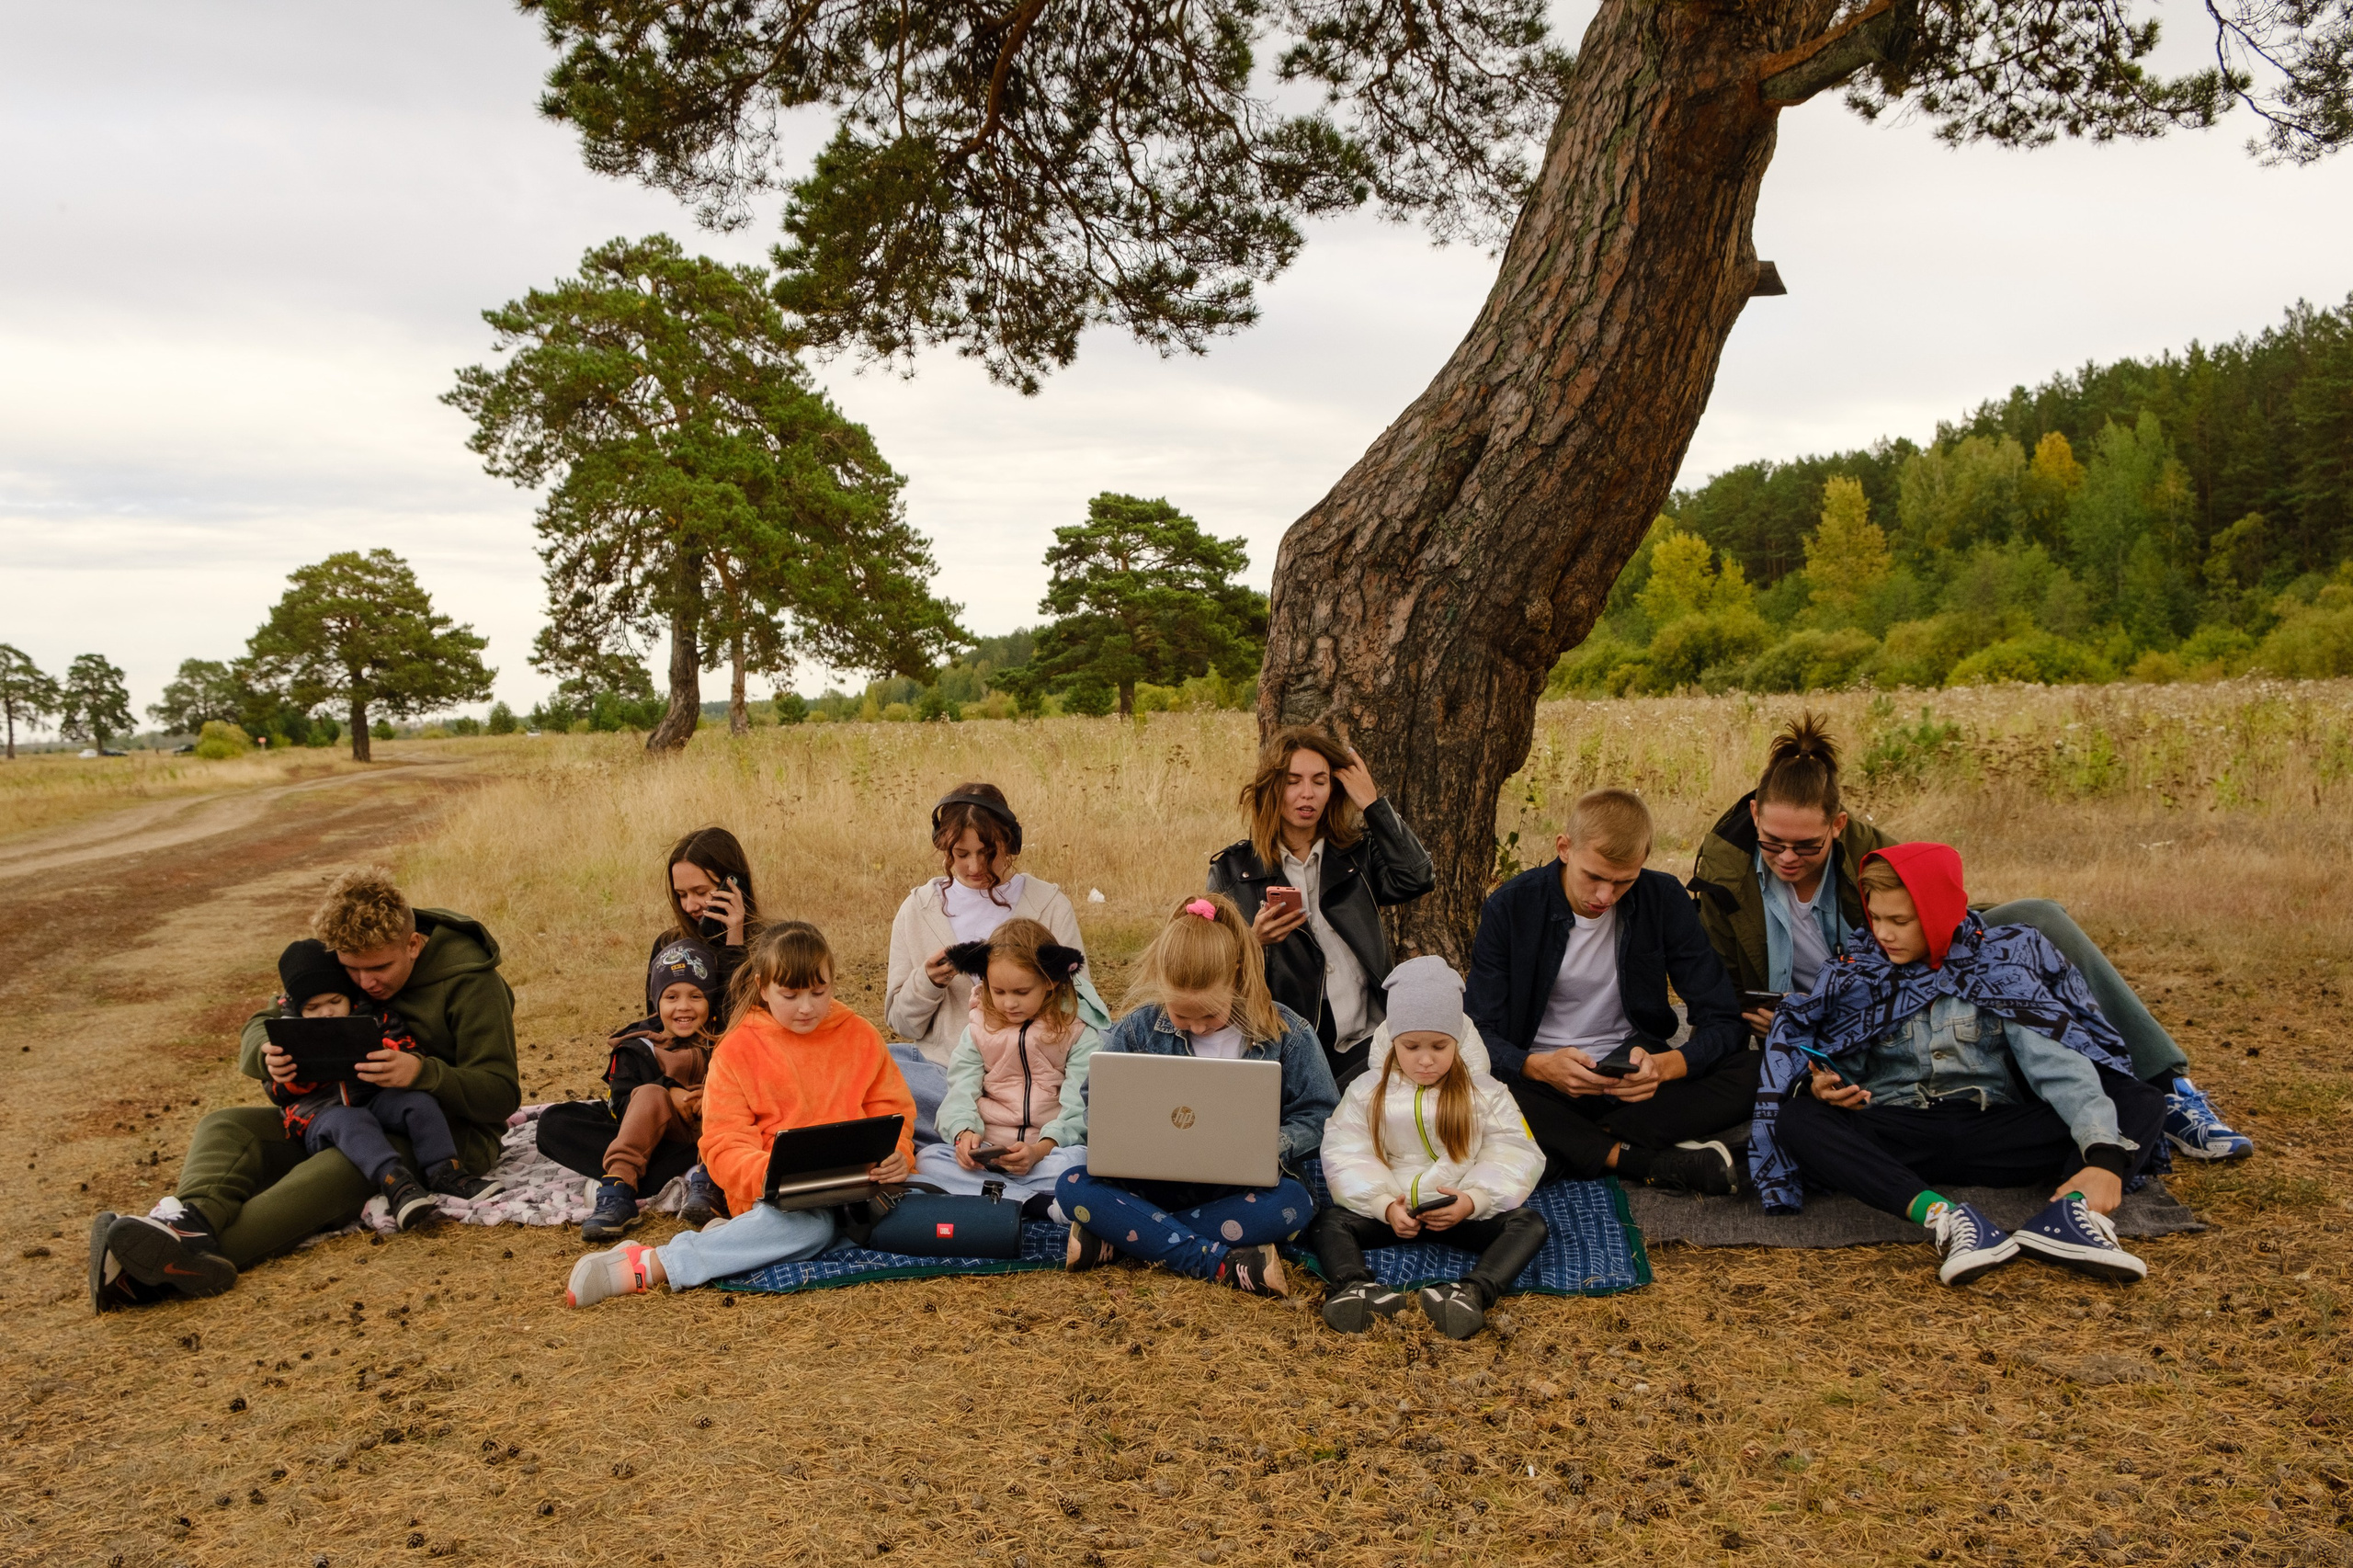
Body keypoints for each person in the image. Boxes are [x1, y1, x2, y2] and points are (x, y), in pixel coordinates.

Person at [1688, 713, 2251, 1163]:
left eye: (1806, 846)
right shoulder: (1723, 870)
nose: (1787, 857)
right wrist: (1763, 1014)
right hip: (1829, 1020)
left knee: (2040, 918)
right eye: (1772, 842)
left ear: (1836, 826)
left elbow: (1931, 927)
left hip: (1894, 984)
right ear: (1756, 815)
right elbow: (1719, 983)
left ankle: (2170, 1090)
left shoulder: (1871, 851)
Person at [90, 868, 518, 1309]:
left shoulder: (473, 982)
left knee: (338, 1169)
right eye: (352, 970)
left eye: (380, 968)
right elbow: (267, 1017)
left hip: (440, 1132)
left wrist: (422, 1073)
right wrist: (267, 1054)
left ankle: (152, 1273)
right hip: (337, 1113)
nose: (366, 983)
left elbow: (500, 1095)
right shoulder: (348, 957)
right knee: (225, 1125)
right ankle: (190, 1222)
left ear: (413, 945)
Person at [1754, 843, 2162, 1287]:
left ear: (1936, 912)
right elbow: (1840, 1064)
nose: (1883, 934)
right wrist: (1826, 1088)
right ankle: (1945, 1218)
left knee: (2139, 1098)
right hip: (1902, 1133)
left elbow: (2059, 1069)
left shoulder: (2002, 967)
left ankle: (2070, 1215)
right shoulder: (1858, 972)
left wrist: (2103, 1158)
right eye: (1877, 918)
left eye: (1900, 921)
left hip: (1997, 1131)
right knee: (1798, 1117)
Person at [566, 922, 916, 1307]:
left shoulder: (860, 1035)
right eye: (790, 994)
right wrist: (768, 1175)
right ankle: (651, 1263)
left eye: (820, 992)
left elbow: (892, 1110)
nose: (807, 1006)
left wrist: (897, 1154)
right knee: (812, 1229)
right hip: (771, 1192)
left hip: (861, 1182)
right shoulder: (737, 1049)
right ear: (762, 986)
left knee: (895, 1219)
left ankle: (739, 1239)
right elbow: (723, 1142)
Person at [1466, 788, 1752, 1194]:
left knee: (1756, 1070)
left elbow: (1722, 1017)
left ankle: (1574, 1140)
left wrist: (1665, 1067)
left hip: (1632, 1076)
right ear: (1564, 848)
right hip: (1541, 1081)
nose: (1605, 896)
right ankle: (1639, 1158)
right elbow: (1478, 1031)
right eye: (1595, 877)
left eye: (1623, 882)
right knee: (1470, 1090)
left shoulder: (1663, 898)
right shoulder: (1510, 907)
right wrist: (1536, 1066)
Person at [1057, 894, 1336, 1296]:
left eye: (1209, 1014)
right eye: (1181, 1015)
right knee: (1070, 1184)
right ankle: (1219, 1262)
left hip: (1238, 1189)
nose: (1198, 1027)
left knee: (1294, 1203)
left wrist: (1268, 1147)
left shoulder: (1287, 1032)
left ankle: (1125, 1233)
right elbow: (1096, 1100)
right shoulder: (1136, 1029)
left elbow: (1320, 1114)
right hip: (1149, 1181)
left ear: (1237, 975)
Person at [1309, 956, 1548, 1340]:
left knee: (1530, 1224)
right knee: (1328, 1221)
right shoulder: (1367, 1091)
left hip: (1457, 1213)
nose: (1424, 1059)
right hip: (1394, 1212)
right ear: (1391, 1042)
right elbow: (1345, 1150)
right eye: (1411, 1045)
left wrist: (1472, 1201)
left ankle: (1471, 1293)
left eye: (1439, 1046)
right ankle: (1356, 1288)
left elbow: (1515, 1151)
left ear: (1458, 1040)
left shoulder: (1485, 1092)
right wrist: (1384, 1205)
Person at [1207, 727, 1435, 1093]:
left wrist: (1373, 805)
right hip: (1287, 1042)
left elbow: (1417, 878)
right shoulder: (1234, 870)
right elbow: (1206, 963)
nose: (1307, 793)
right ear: (1272, 788)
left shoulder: (1358, 855)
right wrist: (1253, 939)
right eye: (1293, 781)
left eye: (1320, 781)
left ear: (1334, 789)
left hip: (1366, 1036)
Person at [262, 938, 500, 1233]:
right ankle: (397, 1186)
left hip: (376, 1098)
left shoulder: (376, 1016)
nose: (326, 1013)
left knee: (418, 1101)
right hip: (322, 1116)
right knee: (351, 1120)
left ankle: (446, 1172)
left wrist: (390, 1052)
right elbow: (276, 1092)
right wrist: (292, 1077)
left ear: (349, 995)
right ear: (300, 1011)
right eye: (313, 1007)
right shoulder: (288, 1035)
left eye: (335, 1001)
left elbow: (410, 1050)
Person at [532, 938, 726, 1242]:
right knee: (554, 1122)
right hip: (650, 1139)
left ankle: (709, 1181)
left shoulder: (726, 1042)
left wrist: (713, 1093)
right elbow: (620, 1107)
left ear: (710, 1001)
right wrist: (669, 1093)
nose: (683, 1006)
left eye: (696, 996)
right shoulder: (637, 1047)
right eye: (671, 997)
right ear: (656, 1003)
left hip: (711, 1138)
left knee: (728, 1100)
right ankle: (618, 1191)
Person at [915, 919, 1103, 1218]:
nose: (1008, 1003)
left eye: (1021, 992)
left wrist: (1039, 1151)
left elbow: (1077, 1109)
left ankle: (992, 1198)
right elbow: (959, 1094)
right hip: (988, 1154)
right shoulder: (977, 1029)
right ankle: (1038, 1205)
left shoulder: (1078, 1032)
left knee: (1079, 1163)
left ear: (1050, 980)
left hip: (1048, 1154)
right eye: (998, 991)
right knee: (928, 1159)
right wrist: (964, 1137)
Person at [886, 784, 1086, 1064]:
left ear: (1011, 843)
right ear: (944, 848)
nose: (975, 867)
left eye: (987, 852)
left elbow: (1079, 1006)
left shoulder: (1049, 905)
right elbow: (902, 1024)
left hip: (1035, 1074)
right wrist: (927, 982)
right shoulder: (918, 910)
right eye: (961, 854)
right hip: (944, 1071)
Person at [649, 826, 763, 1012]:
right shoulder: (669, 945)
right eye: (682, 894)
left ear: (735, 886)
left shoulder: (768, 947)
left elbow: (737, 1017)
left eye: (700, 892)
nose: (689, 906)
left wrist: (734, 940)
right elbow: (656, 1023)